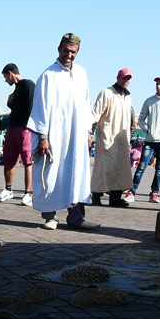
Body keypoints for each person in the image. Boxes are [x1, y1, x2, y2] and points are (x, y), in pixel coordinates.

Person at [29, 33, 99, 230]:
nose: (69, 54)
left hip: (76, 136)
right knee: (52, 174)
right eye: (66, 50)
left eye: (73, 51)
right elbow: (41, 108)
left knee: (77, 174)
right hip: (54, 136)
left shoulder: (82, 74)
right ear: (59, 49)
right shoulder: (48, 76)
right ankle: (50, 217)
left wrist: (87, 130)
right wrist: (43, 136)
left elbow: (86, 103)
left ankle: (76, 218)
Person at [127, 76, 160, 203]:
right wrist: (146, 129)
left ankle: (154, 193)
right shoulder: (149, 101)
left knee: (159, 168)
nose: (159, 86)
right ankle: (132, 191)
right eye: (157, 84)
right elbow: (142, 117)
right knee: (141, 166)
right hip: (149, 140)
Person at [90, 68, 136, 207]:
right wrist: (90, 132)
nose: (126, 81)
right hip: (107, 136)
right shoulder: (107, 92)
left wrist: (130, 140)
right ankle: (96, 195)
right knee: (103, 167)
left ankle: (115, 198)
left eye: (128, 79)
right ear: (117, 78)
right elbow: (96, 113)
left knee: (120, 168)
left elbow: (131, 120)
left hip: (122, 139)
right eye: (124, 78)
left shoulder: (128, 97)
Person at [0, 63, 35, 204]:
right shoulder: (16, 89)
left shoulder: (28, 84)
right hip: (12, 128)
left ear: (10, 73)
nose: (5, 80)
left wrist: (28, 127)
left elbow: (31, 106)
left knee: (28, 161)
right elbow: (17, 108)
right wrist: (9, 103)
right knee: (9, 160)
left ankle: (28, 193)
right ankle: (8, 189)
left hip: (25, 129)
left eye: (5, 76)